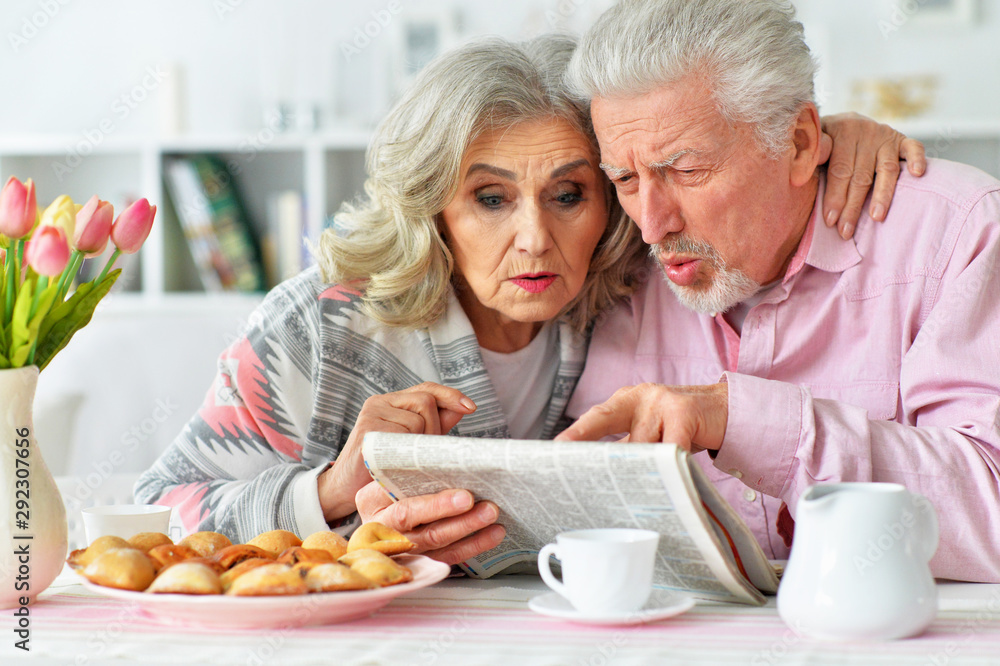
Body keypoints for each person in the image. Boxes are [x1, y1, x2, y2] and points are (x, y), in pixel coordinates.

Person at [135, 33, 924, 566]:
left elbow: (718, 175)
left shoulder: (626, 291)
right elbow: (154, 515)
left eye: (569, 194)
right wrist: (331, 494)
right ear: (432, 206)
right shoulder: (317, 327)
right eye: (489, 199)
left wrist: (832, 140)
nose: (536, 240)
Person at [558, 0, 1000, 582]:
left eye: (686, 172)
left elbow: (990, 513)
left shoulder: (958, 230)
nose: (651, 225)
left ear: (797, 143)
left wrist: (739, 422)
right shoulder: (609, 252)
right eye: (624, 179)